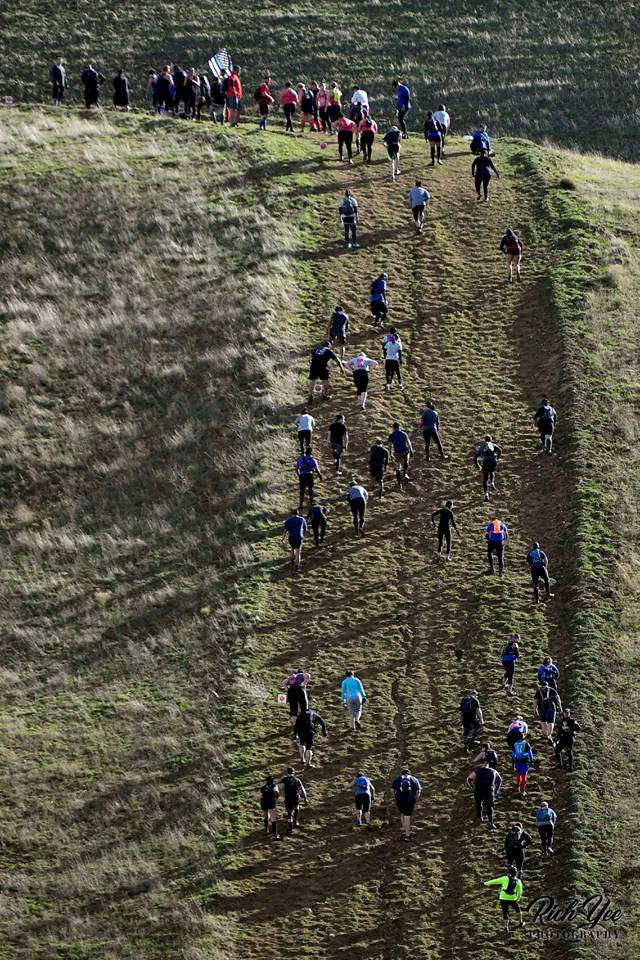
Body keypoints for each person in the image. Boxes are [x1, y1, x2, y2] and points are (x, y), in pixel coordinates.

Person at [483, 867, 525, 932]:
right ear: (516, 874)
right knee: (518, 910)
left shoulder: (505, 878)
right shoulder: (518, 881)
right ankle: (521, 922)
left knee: (505, 912)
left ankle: (506, 928)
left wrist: (486, 883)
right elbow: (520, 892)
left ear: (509, 873)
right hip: (512, 898)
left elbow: (495, 881)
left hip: (503, 898)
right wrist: (518, 898)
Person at [467, 761, 501, 828]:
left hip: (478, 789)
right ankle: (490, 821)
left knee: (478, 804)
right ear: (488, 765)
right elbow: (499, 780)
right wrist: (496, 790)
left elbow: (469, 779)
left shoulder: (477, 771)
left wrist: (472, 787)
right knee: (489, 806)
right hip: (489, 790)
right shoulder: (493, 771)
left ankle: (479, 818)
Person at [391, 768, 421, 841]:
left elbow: (392, 790)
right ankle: (408, 836)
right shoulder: (414, 779)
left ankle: (404, 829)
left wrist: (395, 797)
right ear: (409, 773)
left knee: (402, 813)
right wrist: (416, 799)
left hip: (399, 799)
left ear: (402, 774)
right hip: (410, 800)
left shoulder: (397, 779)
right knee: (407, 816)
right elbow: (418, 790)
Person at [279, 767, 308, 833]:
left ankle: (290, 828)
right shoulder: (297, 780)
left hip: (288, 797)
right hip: (296, 797)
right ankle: (296, 821)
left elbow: (281, 788)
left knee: (289, 813)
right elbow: (303, 789)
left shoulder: (284, 779)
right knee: (297, 807)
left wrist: (279, 795)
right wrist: (305, 798)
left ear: (287, 772)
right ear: (294, 772)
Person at [474, 435, 502, 500]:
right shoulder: (493, 445)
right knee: (492, 471)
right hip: (493, 461)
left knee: (485, 479)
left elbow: (475, 457)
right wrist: (497, 458)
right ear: (491, 440)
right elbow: (500, 450)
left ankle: (486, 494)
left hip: (486, 462)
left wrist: (478, 465)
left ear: (485, 440)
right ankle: (492, 482)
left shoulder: (482, 447)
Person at [388, 422, 414, 487]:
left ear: (393, 428)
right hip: (405, 451)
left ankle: (399, 483)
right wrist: (411, 450)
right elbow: (409, 443)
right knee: (406, 462)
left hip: (397, 453)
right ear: (399, 427)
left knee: (398, 468)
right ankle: (405, 474)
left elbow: (390, 446)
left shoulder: (391, 435)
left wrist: (390, 454)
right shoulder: (404, 434)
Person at [282, 508, 307, 572]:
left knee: (293, 548)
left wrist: (283, 538)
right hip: (299, 537)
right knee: (298, 552)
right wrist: (304, 535)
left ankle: (292, 560)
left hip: (291, 538)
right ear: (298, 513)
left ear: (291, 514)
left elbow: (285, 531)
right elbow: (305, 528)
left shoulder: (288, 520)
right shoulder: (302, 519)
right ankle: (297, 567)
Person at [259, 775, 281, 840]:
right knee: (273, 818)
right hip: (271, 803)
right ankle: (275, 834)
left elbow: (260, 797)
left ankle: (266, 830)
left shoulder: (263, 788)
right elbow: (277, 792)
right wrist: (276, 798)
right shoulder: (274, 786)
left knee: (266, 816)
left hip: (263, 803)